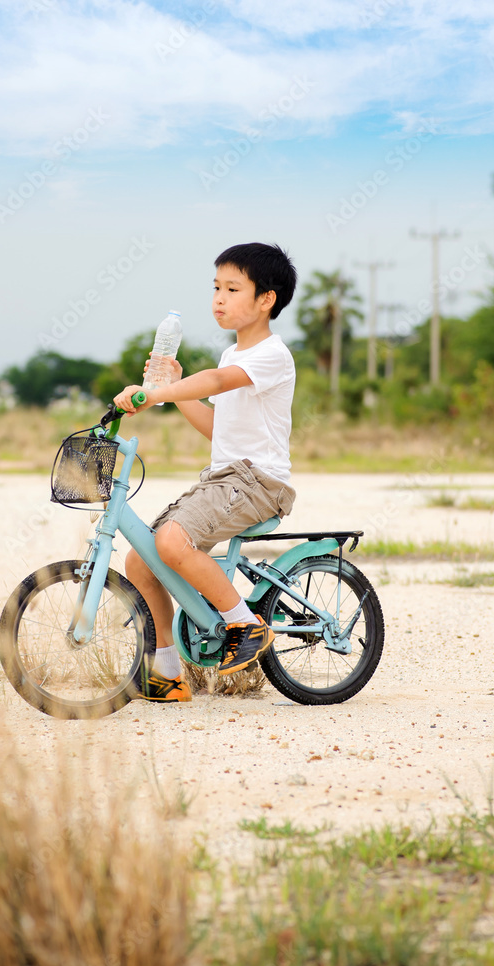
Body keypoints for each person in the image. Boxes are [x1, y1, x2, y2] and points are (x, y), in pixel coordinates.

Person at [113, 242, 297, 702]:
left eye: (233, 288)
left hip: (258, 481)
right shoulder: (230, 357)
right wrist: (174, 392)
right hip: (223, 478)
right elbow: (218, 428)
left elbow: (215, 384)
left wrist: (155, 393)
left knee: (173, 542)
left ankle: (244, 625)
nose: (218, 298)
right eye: (216, 287)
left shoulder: (272, 355)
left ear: (265, 299)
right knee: (141, 559)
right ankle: (167, 673)